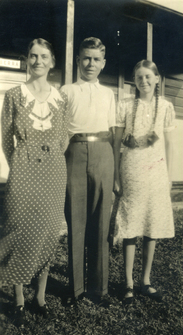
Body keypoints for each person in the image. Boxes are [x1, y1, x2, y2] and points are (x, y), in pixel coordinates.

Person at [0, 38, 68, 324]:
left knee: (49, 232)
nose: (37, 61)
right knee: (20, 230)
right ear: (27, 60)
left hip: (54, 171)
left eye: (43, 56)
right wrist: (21, 159)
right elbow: (5, 138)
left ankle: (39, 297)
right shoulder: (14, 94)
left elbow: (64, 137)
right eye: (32, 56)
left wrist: (51, 155)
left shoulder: (60, 98)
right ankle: (17, 299)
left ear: (52, 62)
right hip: (23, 169)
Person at [113, 60, 175, 303]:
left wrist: (171, 176)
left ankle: (145, 281)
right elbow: (116, 143)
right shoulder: (126, 105)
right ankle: (128, 283)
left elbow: (169, 144)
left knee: (152, 225)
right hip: (131, 171)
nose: (144, 81)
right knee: (131, 225)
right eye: (139, 77)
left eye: (149, 77)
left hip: (157, 172)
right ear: (134, 81)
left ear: (157, 79)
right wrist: (116, 176)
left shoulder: (167, 106)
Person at [60, 37, 115, 303]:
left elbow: (114, 131)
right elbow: (60, 132)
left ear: (103, 64)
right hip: (74, 152)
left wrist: (113, 172)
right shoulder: (67, 91)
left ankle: (99, 288)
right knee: (76, 220)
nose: (90, 64)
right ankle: (76, 290)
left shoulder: (109, 93)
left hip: (103, 152)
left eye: (96, 59)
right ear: (78, 60)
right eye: (86, 58)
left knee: (101, 222)